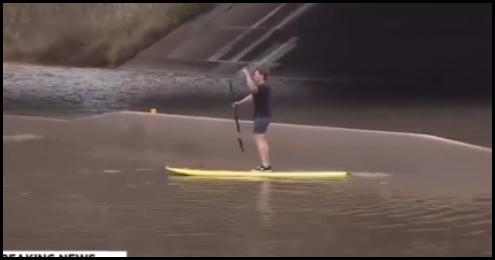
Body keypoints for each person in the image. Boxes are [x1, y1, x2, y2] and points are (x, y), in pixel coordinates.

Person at [233, 67, 272, 171]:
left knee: (260, 140)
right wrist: (239, 103)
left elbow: (252, 89)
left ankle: (265, 166)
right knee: (261, 139)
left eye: (256, 74)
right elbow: (252, 96)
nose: (254, 76)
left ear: (262, 76)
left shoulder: (263, 87)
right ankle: (266, 165)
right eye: (253, 75)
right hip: (263, 117)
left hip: (262, 117)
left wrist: (246, 75)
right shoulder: (261, 89)